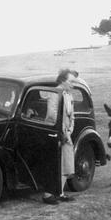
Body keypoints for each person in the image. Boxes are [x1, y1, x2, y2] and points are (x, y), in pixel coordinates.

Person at [43, 68, 79, 205]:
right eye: (71, 81)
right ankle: (48, 194)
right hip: (54, 134)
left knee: (67, 163)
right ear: (63, 81)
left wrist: (69, 131)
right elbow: (52, 115)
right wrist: (62, 132)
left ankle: (60, 193)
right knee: (54, 164)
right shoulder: (55, 94)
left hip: (65, 134)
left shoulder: (69, 95)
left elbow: (72, 116)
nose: (73, 84)